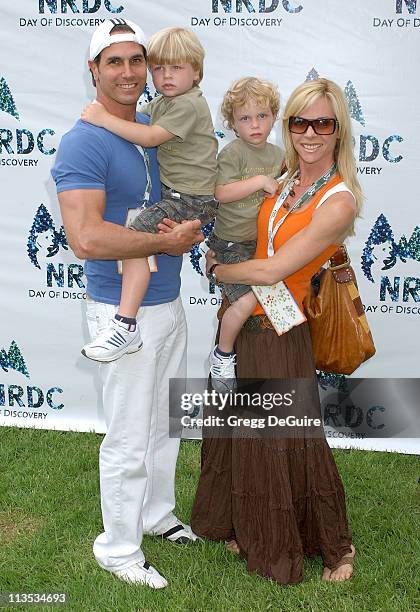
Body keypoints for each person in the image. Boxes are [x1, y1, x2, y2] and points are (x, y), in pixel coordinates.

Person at [51, 19, 203, 589]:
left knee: (165, 426)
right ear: (93, 70)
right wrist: (164, 242)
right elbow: (86, 238)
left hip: (168, 301)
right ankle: (117, 550)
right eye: (113, 62)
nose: (128, 72)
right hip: (122, 311)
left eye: (136, 60)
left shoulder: (151, 125)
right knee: (128, 437)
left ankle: (156, 516)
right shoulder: (84, 140)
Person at [191, 78, 361, 584]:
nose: (310, 133)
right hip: (251, 322)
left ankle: (336, 549)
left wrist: (218, 271)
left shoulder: (338, 200)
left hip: (283, 328)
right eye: (300, 122)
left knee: (289, 437)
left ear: (338, 132)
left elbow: (268, 271)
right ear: (288, 127)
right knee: (241, 428)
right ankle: (241, 521)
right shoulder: (285, 176)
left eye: (323, 123)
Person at [79, 26, 218, 362]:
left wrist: (102, 118)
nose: (166, 76)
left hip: (190, 197)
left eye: (177, 68)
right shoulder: (164, 103)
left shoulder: (188, 104)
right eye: (159, 68)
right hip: (182, 195)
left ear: (197, 72)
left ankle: (125, 324)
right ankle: (127, 322)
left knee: (134, 237)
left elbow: (150, 137)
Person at [207, 77, 283, 391]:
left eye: (262, 116)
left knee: (279, 306)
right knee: (247, 300)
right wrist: (260, 181)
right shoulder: (233, 154)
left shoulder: (279, 155)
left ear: (274, 117)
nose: (255, 125)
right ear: (233, 124)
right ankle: (222, 356)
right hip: (230, 244)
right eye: (245, 118)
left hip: (263, 243)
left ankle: (275, 365)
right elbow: (220, 192)